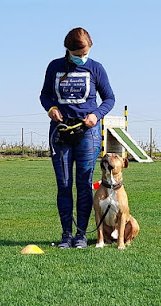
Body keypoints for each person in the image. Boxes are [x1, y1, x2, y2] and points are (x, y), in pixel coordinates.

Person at [40, 27, 115, 248]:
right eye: (78, 54)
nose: (82, 58)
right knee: (64, 184)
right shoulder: (54, 67)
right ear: (68, 50)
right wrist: (51, 108)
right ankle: (66, 234)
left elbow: (109, 98)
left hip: (88, 134)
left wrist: (96, 115)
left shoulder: (96, 68)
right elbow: (44, 95)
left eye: (85, 53)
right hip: (60, 133)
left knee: (84, 185)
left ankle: (81, 235)